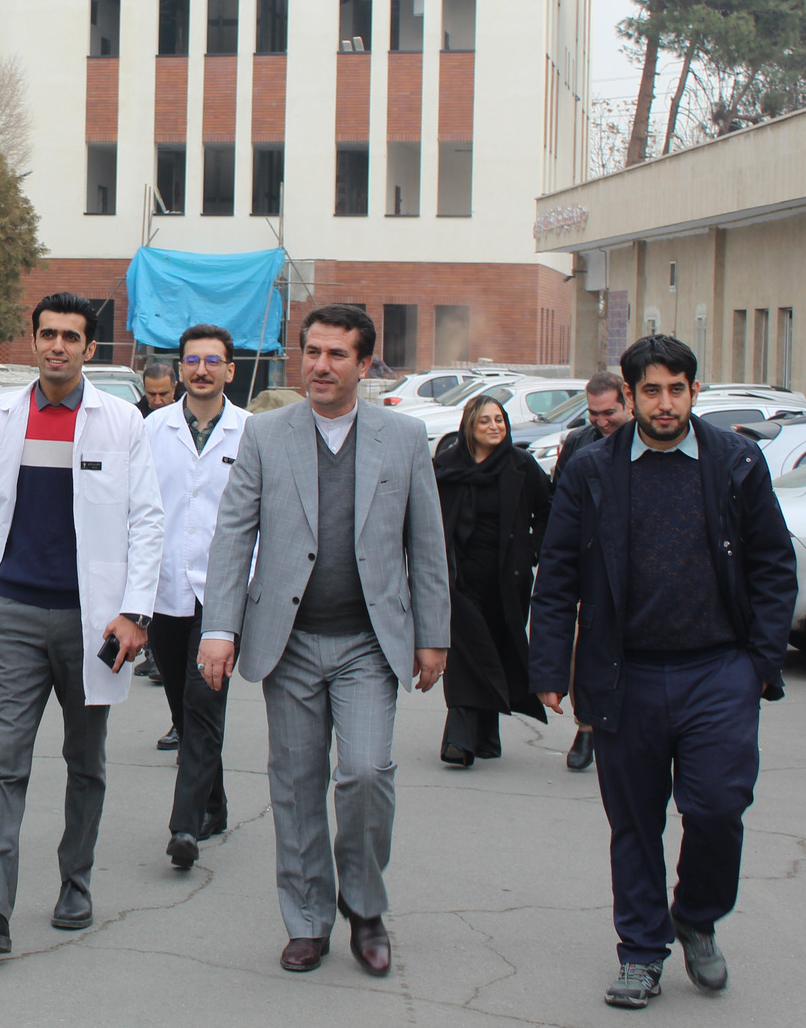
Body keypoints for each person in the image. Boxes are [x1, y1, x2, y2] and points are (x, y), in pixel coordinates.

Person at [528, 334, 795, 1011]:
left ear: (694, 391)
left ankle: (697, 916)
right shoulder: (592, 469)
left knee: (718, 807)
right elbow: (558, 572)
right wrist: (549, 662)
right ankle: (642, 952)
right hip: (627, 673)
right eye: (652, 390)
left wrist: (760, 663)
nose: (665, 403)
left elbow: (772, 562)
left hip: (719, 670)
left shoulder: (736, 461)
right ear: (630, 394)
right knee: (635, 822)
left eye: (677, 389)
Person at [199, 304, 448, 977]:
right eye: (312, 351)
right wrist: (219, 628)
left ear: (364, 365)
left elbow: (426, 542)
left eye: (337, 354)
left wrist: (434, 635)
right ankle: (307, 919)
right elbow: (233, 534)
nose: (321, 365)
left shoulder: (403, 436)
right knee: (296, 783)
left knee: (365, 773)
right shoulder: (265, 434)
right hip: (290, 641)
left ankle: (364, 907)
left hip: (368, 642)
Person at [0, 292, 164, 956]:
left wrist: (135, 611)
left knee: (84, 759)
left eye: (71, 336)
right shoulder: (1, 416)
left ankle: (76, 882)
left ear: (89, 348)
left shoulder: (121, 422)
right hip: (11, 613)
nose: (58, 346)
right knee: (4, 760)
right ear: (34, 340)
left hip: (91, 621)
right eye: (48, 334)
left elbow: (147, 520)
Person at [144, 324, 249, 870]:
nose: (201, 369)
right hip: (164, 590)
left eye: (213, 361)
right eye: (192, 360)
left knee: (204, 702)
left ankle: (184, 826)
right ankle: (214, 803)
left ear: (230, 369)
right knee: (184, 706)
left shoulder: (251, 432)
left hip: (222, 593)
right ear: (181, 367)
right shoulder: (152, 429)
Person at [431, 394, 551, 767]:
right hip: (457, 579)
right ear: (470, 425)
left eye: (499, 420)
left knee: (493, 650)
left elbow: (547, 510)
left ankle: (486, 738)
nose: (494, 426)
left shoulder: (521, 465)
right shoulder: (446, 467)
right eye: (485, 420)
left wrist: (532, 551)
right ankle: (459, 740)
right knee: (468, 652)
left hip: (506, 581)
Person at [554, 372, 632, 771]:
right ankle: (586, 726)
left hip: (635, 565)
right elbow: (560, 500)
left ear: (628, 404)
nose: (601, 421)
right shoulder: (579, 444)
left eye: (609, 413)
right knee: (587, 649)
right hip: (592, 561)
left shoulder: (644, 443)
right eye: (593, 413)